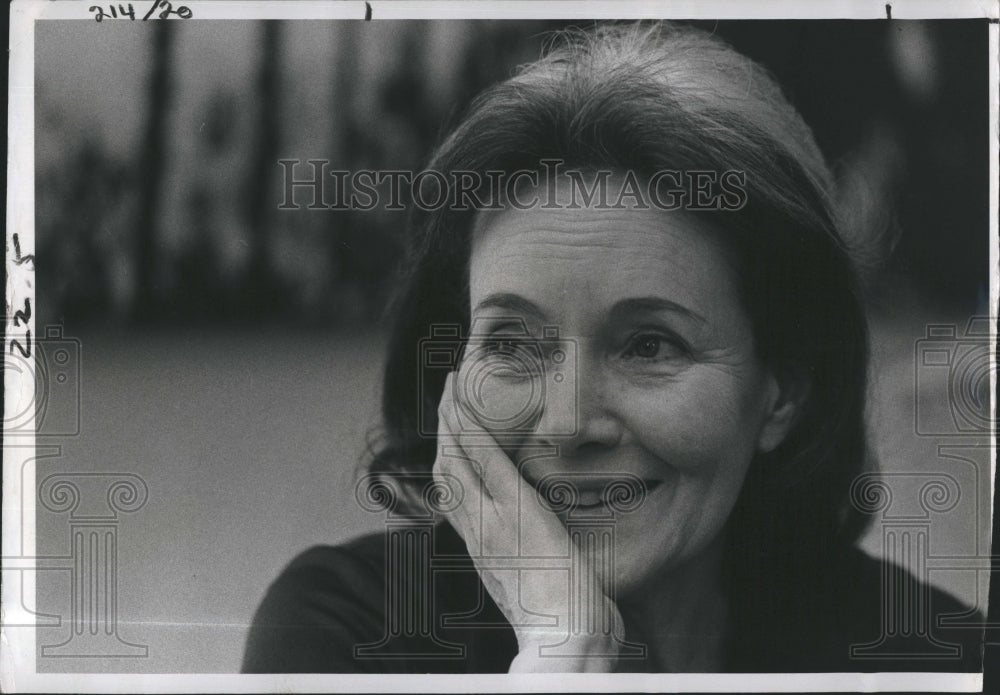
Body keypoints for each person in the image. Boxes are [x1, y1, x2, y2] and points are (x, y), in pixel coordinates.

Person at [243, 22, 983, 673]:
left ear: (784, 389)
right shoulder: (344, 633)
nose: (567, 424)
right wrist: (562, 651)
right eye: (512, 344)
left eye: (649, 345)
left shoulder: (934, 653)